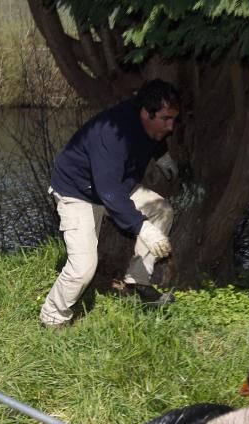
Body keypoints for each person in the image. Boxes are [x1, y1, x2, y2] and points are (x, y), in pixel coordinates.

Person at [40, 79, 181, 328]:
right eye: (166, 119)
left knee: (162, 211)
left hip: (115, 184)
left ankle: (137, 282)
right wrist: (143, 228)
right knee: (83, 267)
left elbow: (153, 137)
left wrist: (163, 156)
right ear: (145, 113)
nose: (170, 127)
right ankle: (52, 318)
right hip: (77, 192)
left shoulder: (147, 121)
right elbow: (110, 192)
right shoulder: (111, 134)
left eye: (173, 119)